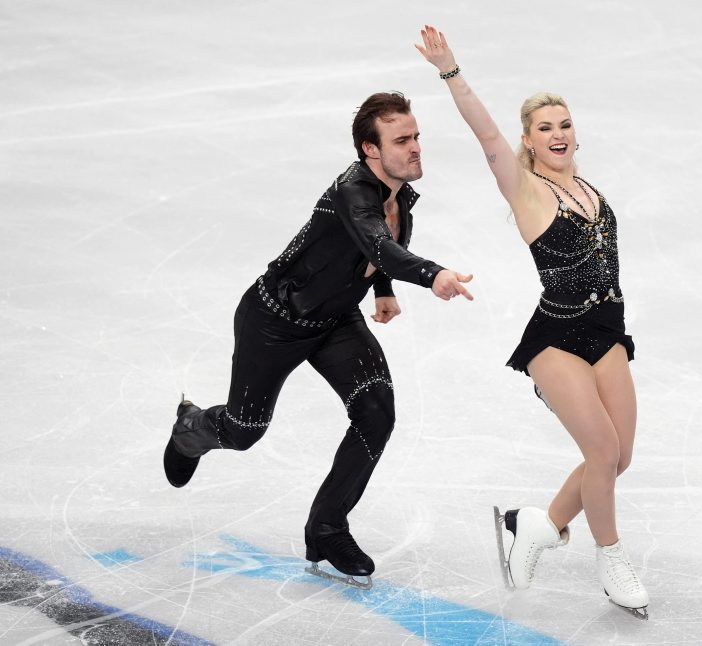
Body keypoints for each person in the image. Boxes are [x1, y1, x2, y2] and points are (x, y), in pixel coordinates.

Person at [162, 91, 474, 588]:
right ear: (370, 150)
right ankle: (191, 428)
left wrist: (383, 289)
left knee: (376, 413)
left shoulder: (398, 195)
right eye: (401, 140)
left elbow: (380, 247)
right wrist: (431, 274)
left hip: (335, 321)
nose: (416, 147)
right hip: (274, 320)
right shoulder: (353, 191)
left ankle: (327, 528)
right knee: (244, 431)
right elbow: (377, 242)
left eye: (416, 136)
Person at [416, 26, 650, 617]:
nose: (557, 134)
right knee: (601, 450)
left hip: (606, 330)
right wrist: (450, 71)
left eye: (564, 124)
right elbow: (485, 133)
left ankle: (538, 527)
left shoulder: (587, 188)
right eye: (544, 128)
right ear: (528, 140)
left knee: (617, 458)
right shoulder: (526, 189)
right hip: (556, 338)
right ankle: (611, 560)